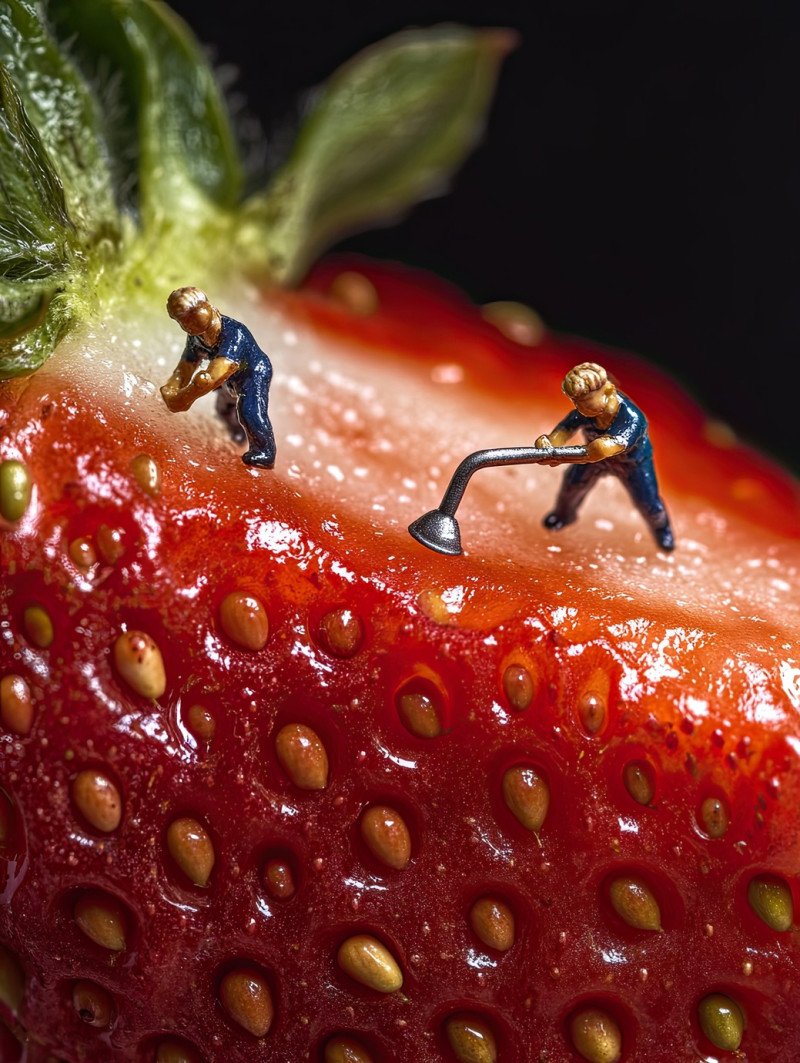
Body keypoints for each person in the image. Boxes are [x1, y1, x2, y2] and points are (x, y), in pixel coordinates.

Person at [535, 361, 674, 550]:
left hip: (633, 465)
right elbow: (565, 429)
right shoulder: (585, 412)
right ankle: (563, 515)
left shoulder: (632, 418)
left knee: (649, 504)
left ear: (608, 391)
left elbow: (600, 450)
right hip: (593, 459)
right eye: (576, 401)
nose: (580, 407)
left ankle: (662, 528)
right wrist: (549, 444)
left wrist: (558, 456)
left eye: (585, 401)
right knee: (572, 484)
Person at [160, 287, 276, 469]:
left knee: (250, 411)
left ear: (209, 306)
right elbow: (186, 366)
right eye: (181, 320)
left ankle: (265, 452)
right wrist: (172, 387)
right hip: (229, 381)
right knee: (224, 408)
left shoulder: (234, 333)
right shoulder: (195, 339)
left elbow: (218, 371)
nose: (187, 324)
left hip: (253, 373)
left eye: (192, 314)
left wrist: (185, 397)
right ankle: (238, 433)